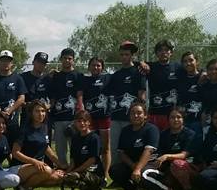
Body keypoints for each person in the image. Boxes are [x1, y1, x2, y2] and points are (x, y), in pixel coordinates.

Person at [105, 40, 147, 168]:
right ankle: (115, 173)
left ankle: (133, 172)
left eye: (127, 54)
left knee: (130, 148)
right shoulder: (116, 75)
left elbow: (142, 96)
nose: (124, 57)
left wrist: (140, 116)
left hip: (131, 119)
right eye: (122, 55)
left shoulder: (138, 72)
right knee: (115, 148)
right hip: (116, 117)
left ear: (132, 56)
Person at [141, 107, 198, 190]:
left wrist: (167, 156)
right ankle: (166, 189)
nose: (175, 120)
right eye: (172, 117)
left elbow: (184, 155)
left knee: (177, 164)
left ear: (183, 119)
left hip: (185, 169)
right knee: (144, 172)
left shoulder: (190, 134)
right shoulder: (163, 134)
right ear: (168, 119)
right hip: (166, 169)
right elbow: (157, 153)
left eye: (178, 117)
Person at [12, 100, 64, 190]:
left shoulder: (44, 127)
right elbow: (15, 153)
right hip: (20, 167)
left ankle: (29, 186)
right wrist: (34, 162)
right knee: (47, 170)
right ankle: (22, 188)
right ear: (31, 113)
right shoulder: (24, 129)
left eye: (43, 111)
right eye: (37, 111)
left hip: (37, 167)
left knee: (59, 177)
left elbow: (46, 148)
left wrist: (61, 165)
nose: (40, 114)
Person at [109, 102, 159, 190]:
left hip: (149, 164)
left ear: (145, 115)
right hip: (132, 164)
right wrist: (133, 166)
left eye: (139, 113)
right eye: (133, 113)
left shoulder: (152, 129)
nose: (136, 116)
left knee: (144, 174)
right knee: (114, 170)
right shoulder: (125, 130)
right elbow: (121, 153)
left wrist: (138, 169)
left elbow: (148, 151)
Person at [79, 57, 112, 178]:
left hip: (104, 118)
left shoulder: (108, 78)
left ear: (102, 67)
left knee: (105, 148)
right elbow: (80, 96)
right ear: (89, 67)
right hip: (90, 119)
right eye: (93, 65)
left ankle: (105, 174)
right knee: (90, 147)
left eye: (98, 65)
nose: (96, 67)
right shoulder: (84, 79)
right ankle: (88, 172)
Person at [49, 47, 82, 168]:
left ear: (73, 60)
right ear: (61, 59)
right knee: (60, 148)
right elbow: (53, 96)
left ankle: (76, 169)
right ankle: (63, 168)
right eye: (65, 58)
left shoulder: (78, 75)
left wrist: (79, 114)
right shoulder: (56, 76)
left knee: (75, 146)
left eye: (70, 58)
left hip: (73, 117)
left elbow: (80, 96)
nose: (67, 60)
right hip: (59, 117)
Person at [0, 50, 26, 139]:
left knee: (13, 145)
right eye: (3, 60)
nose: (5, 63)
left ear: (11, 63)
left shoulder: (18, 79)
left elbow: (22, 98)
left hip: (12, 121)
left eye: (8, 61)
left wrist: (10, 110)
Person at [144, 39, 186, 130]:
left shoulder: (178, 67)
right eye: (160, 50)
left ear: (171, 52)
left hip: (173, 115)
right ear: (156, 53)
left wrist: (203, 72)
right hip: (155, 113)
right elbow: (134, 65)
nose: (163, 52)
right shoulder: (150, 67)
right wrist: (141, 63)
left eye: (166, 50)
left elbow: (194, 71)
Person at [62, 109, 104, 190]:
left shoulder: (94, 138)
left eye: (84, 121)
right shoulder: (75, 138)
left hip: (93, 172)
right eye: (79, 121)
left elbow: (92, 160)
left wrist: (75, 172)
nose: (82, 123)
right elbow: (73, 160)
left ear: (89, 122)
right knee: (68, 177)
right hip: (79, 172)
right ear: (75, 123)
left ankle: (95, 187)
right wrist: (67, 173)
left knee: (75, 176)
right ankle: (87, 189)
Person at [177, 51, 204, 136]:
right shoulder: (180, 78)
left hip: (198, 122)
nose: (188, 63)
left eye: (191, 60)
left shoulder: (204, 78)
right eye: (185, 61)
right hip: (182, 121)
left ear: (197, 61)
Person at [198, 58, 217, 129]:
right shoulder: (204, 85)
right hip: (209, 123)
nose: (213, 71)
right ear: (207, 71)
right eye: (210, 69)